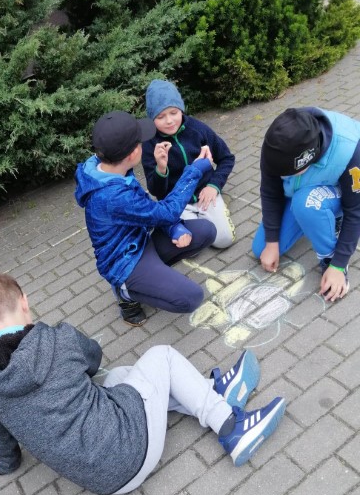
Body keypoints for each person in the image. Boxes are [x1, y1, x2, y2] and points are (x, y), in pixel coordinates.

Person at [0, 273, 287, 493]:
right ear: (24, 302)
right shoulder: (58, 339)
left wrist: (6, 463)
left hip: (101, 482)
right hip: (130, 450)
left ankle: (212, 393)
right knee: (162, 356)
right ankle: (232, 428)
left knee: (118, 378)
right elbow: (93, 359)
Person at [75, 110, 217, 327]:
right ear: (132, 153)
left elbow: (148, 210)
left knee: (206, 231)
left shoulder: (104, 166)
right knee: (191, 298)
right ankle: (126, 293)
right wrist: (196, 169)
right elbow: (166, 212)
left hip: (140, 240)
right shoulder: (112, 195)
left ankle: (152, 277)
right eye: (140, 142)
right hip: (125, 261)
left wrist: (173, 228)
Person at [252, 107, 360, 302]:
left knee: (307, 203)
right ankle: (314, 219)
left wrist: (338, 264)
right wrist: (271, 242)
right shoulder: (277, 145)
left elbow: (356, 211)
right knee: (261, 249)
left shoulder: (351, 149)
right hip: (302, 192)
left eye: (288, 172)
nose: (282, 176)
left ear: (309, 158)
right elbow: (270, 192)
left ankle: (329, 255)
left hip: (342, 193)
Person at [142, 79, 236, 249]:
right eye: (160, 116)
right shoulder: (150, 144)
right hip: (178, 203)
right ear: (151, 118)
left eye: (173, 112)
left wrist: (214, 186)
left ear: (181, 109)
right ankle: (177, 224)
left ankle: (216, 207)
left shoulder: (197, 128)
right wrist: (161, 169)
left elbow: (227, 158)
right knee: (191, 245)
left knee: (224, 240)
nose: (169, 121)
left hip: (204, 194)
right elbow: (156, 191)